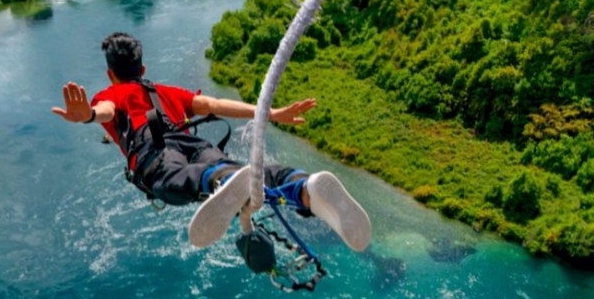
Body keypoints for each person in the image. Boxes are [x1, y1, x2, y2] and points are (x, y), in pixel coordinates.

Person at [52, 32, 371, 255]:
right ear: (143, 69)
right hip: (196, 145)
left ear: (111, 74)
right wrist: (270, 113)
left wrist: (88, 115)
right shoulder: (165, 91)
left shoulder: (112, 95)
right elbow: (215, 104)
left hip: (156, 155)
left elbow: (106, 111)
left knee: (176, 182)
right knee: (245, 172)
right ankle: (302, 186)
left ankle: (224, 181)